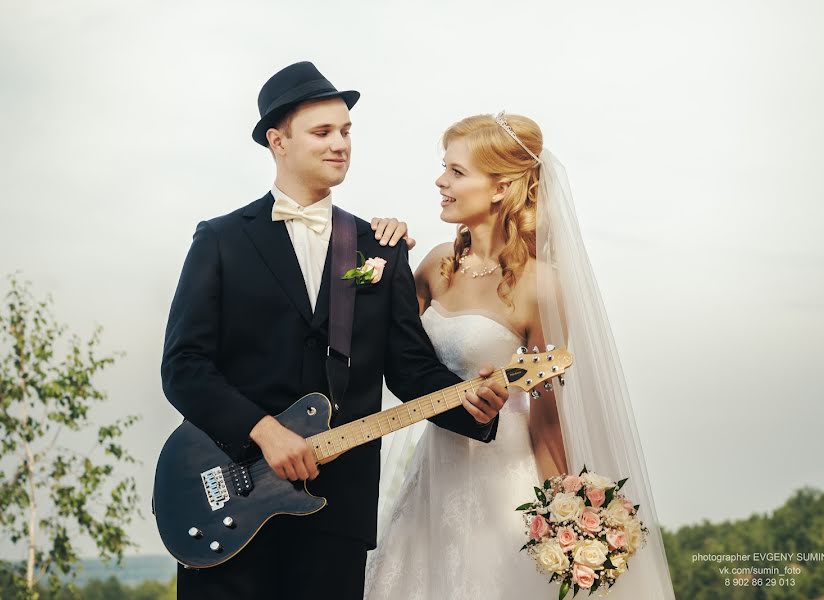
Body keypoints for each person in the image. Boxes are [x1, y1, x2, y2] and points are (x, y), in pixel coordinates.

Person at [160, 62, 509, 599]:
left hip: (336, 513)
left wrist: (475, 407)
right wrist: (262, 429)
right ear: (278, 141)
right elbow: (183, 367)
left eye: (346, 131)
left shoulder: (380, 248)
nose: (340, 143)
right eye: (322, 132)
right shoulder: (219, 240)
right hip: (226, 501)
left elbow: (412, 372)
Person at [364, 113, 675, 598]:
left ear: (500, 188)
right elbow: (389, 355)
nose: (440, 181)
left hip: (502, 477)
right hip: (434, 468)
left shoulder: (540, 285)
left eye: (456, 172)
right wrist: (380, 255)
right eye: (443, 168)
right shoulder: (433, 265)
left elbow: (547, 418)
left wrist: (566, 515)